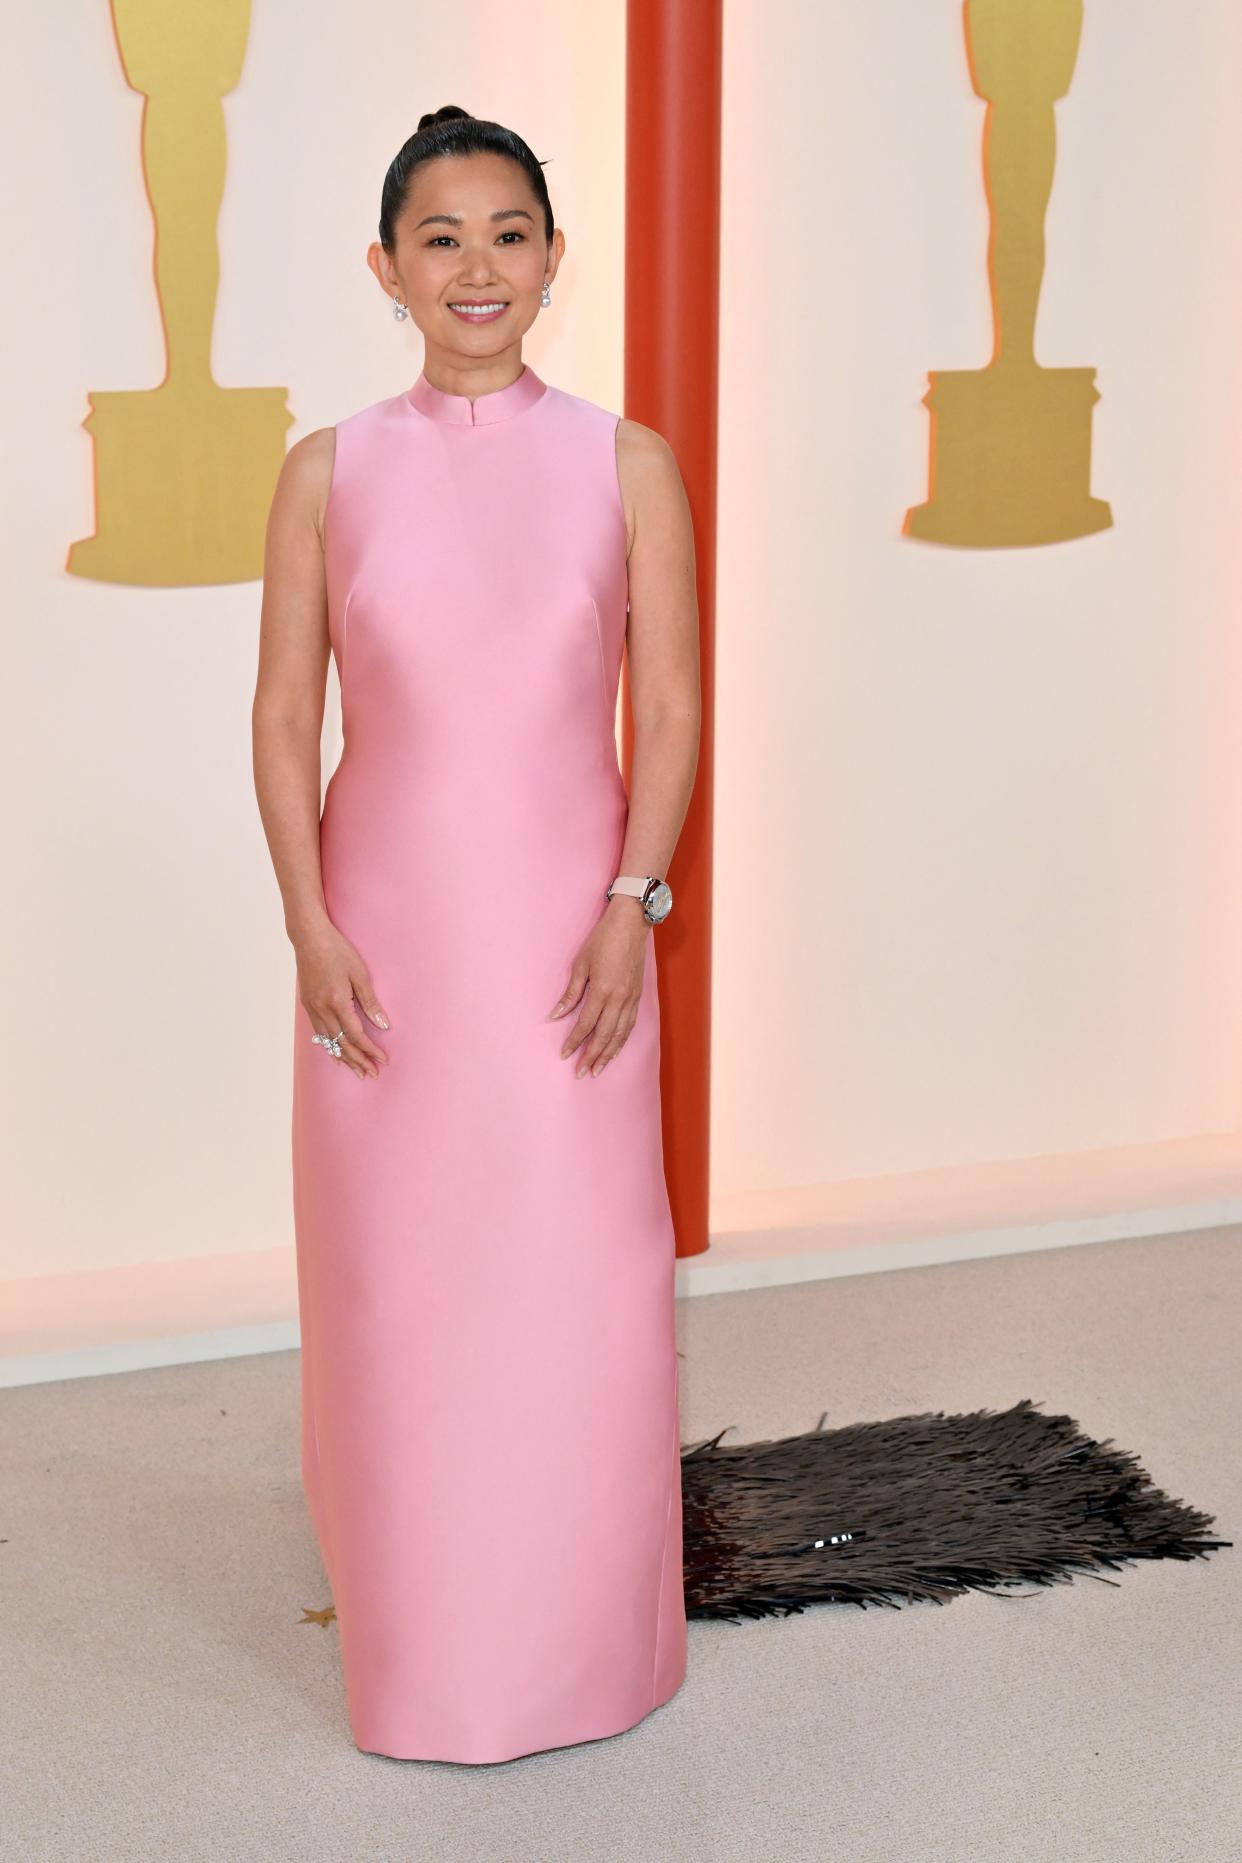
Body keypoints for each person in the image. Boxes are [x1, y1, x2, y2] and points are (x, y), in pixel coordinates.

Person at [251, 105, 701, 1765]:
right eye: (439, 238)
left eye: (507, 232)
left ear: (553, 259)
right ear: (386, 268)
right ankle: (429, 1653)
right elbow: (286, 711)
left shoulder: (623, 459)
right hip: (385, 948)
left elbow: (666, 708)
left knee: (577, 1291)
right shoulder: (328, 469)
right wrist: (309, 924)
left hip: (570, 946)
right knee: (404, 1302)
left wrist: (628, 904)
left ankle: (590, 1644)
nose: (476, 266)